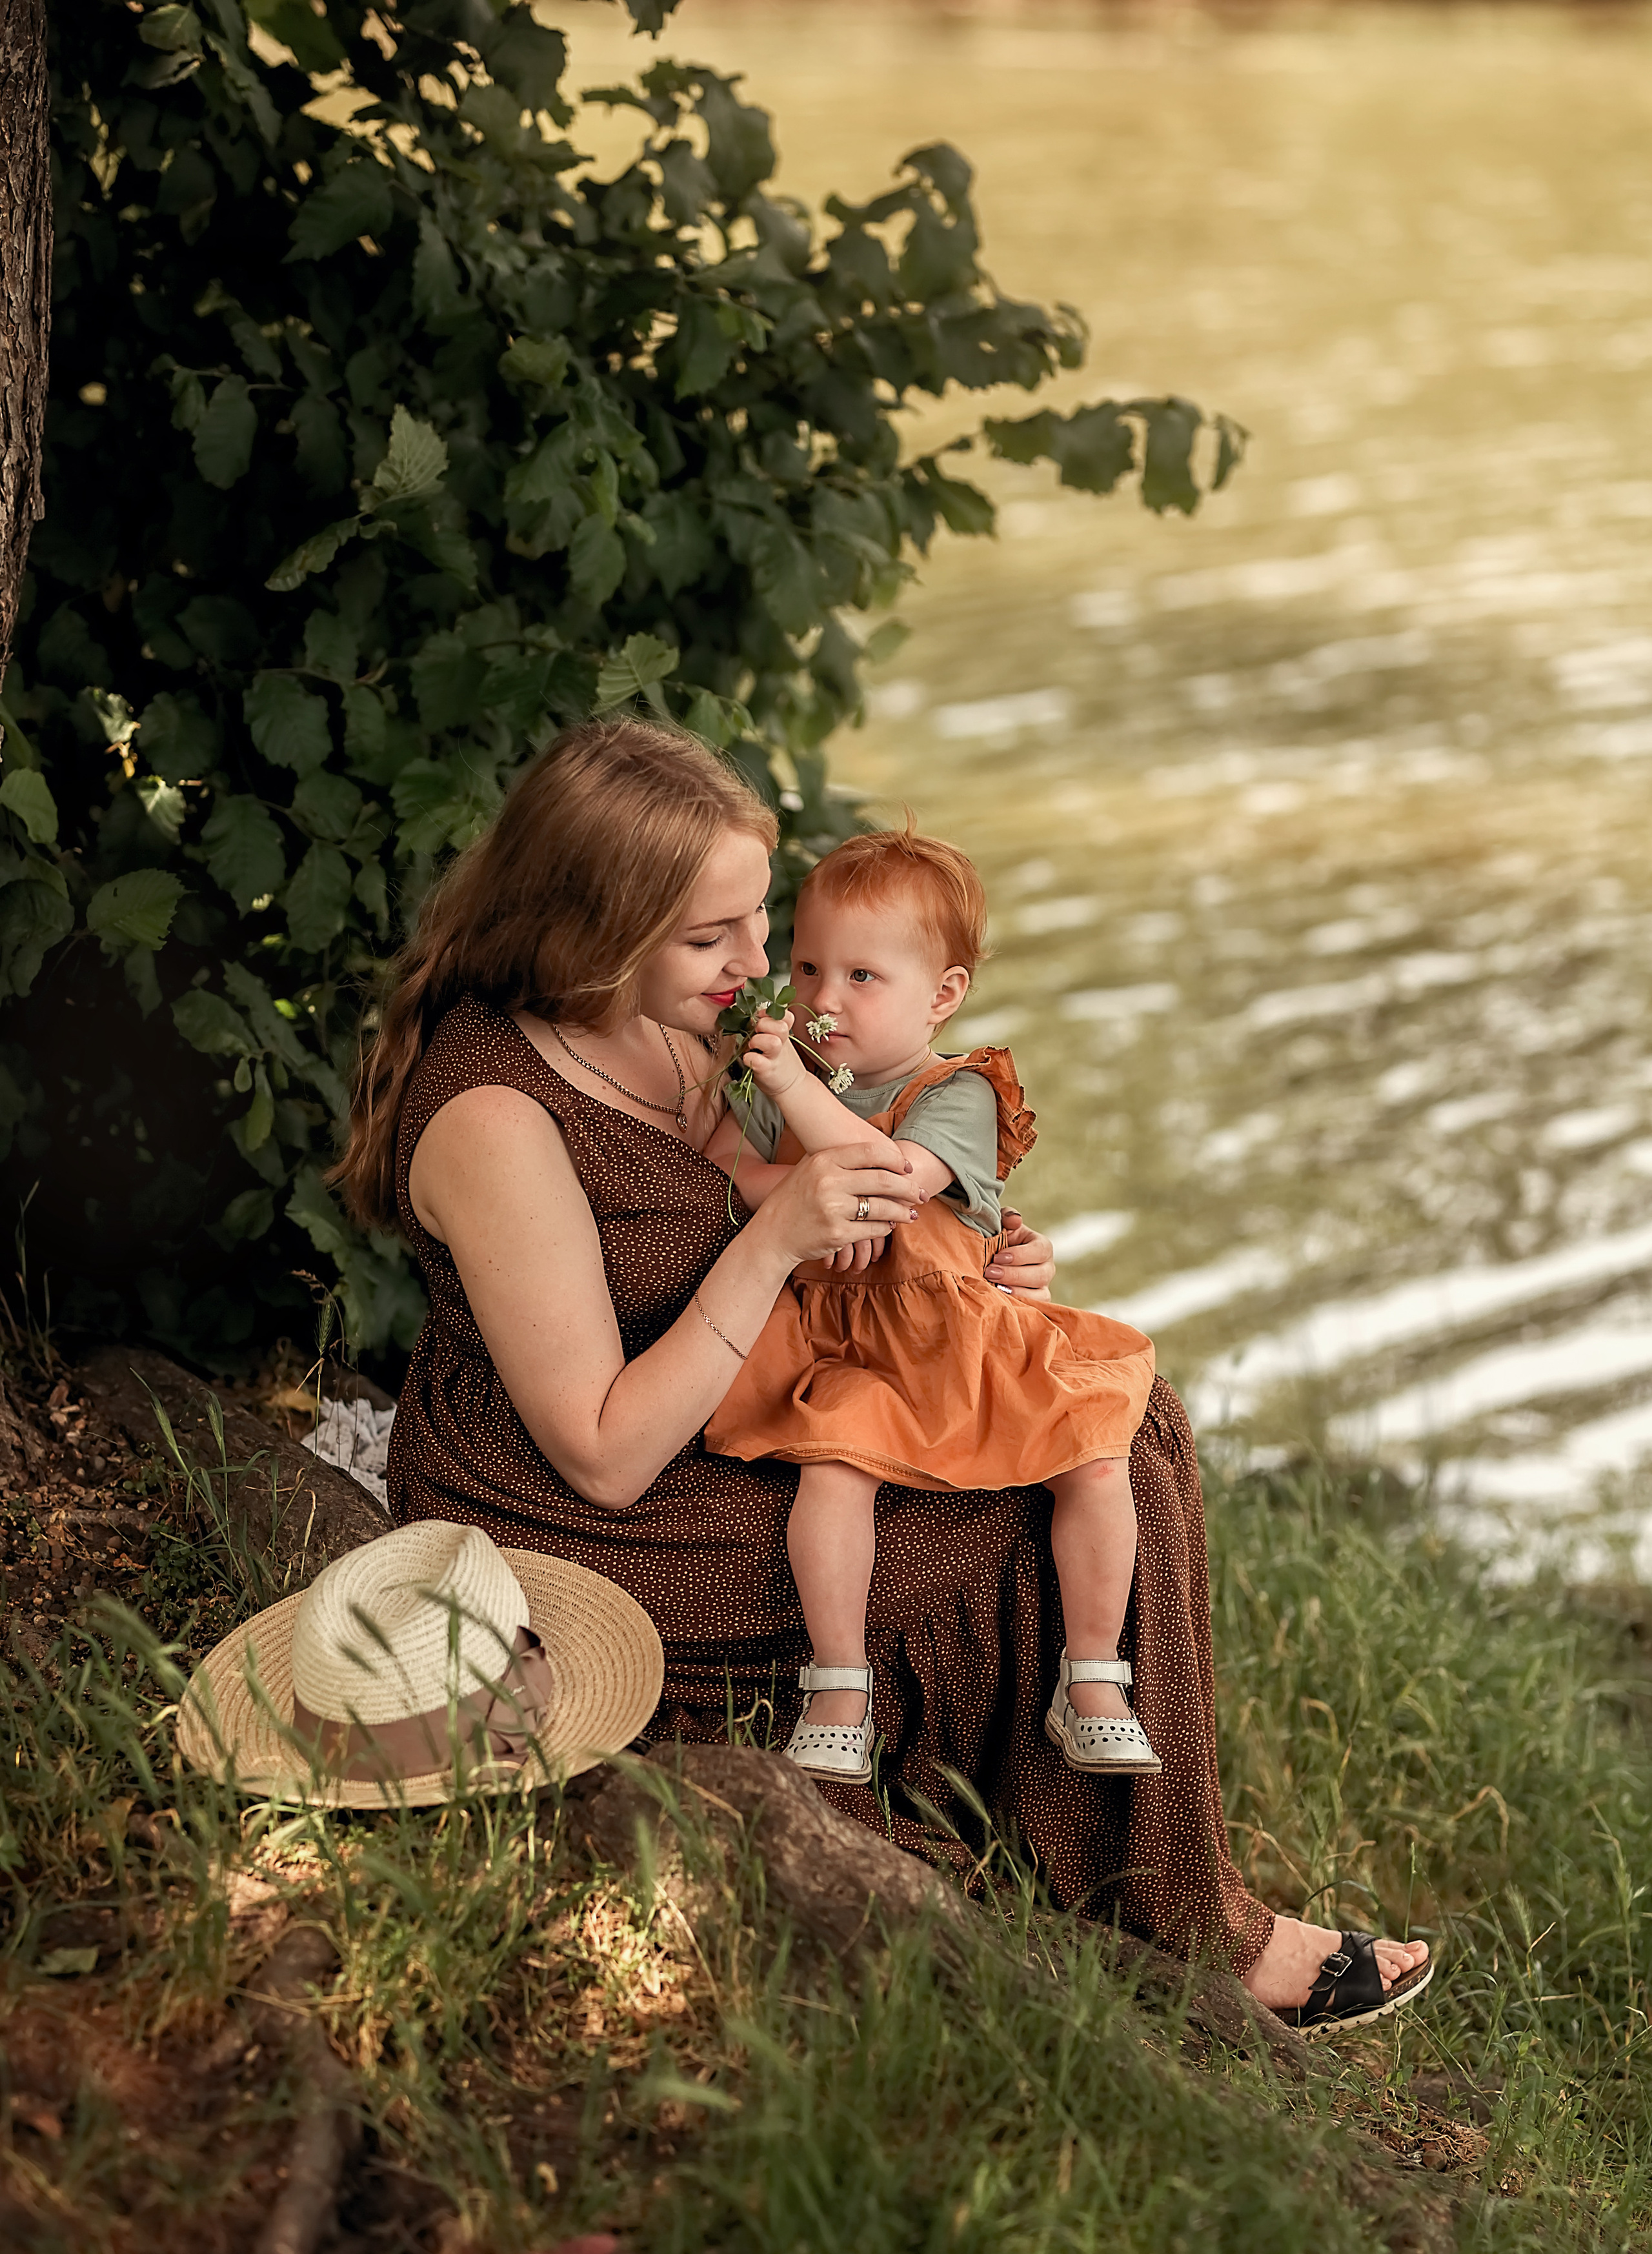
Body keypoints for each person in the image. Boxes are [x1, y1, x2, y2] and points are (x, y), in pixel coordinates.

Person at [333, 713, 1431, 2034]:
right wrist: (783, 1238)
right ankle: (1169, 1913)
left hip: (739, 1415)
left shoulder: (682, 1029)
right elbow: (603, 1451)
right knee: (1029, 1491)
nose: (759, 969)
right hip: (585, 1520)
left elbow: (855, 1199)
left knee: (1114, 1417)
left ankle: (1156, 1884)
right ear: (591, 932)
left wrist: (978, 1263)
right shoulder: (494, 1121)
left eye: (758, 922)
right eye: (713, 937)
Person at [701, 825, 1162, 1791]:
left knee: (1092, 1443)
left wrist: (790, 1095)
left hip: (954, 1336)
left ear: (941, 996)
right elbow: (719, 1167)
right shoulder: (771, 1091)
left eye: (864, 976)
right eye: (810, 965)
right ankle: (838, 1687)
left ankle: (1093, 1674)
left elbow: (888, 1180)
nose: (824, 999)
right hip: (847, 1345)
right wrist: (773, 1159)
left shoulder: (958, 1092)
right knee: (834, 1468)